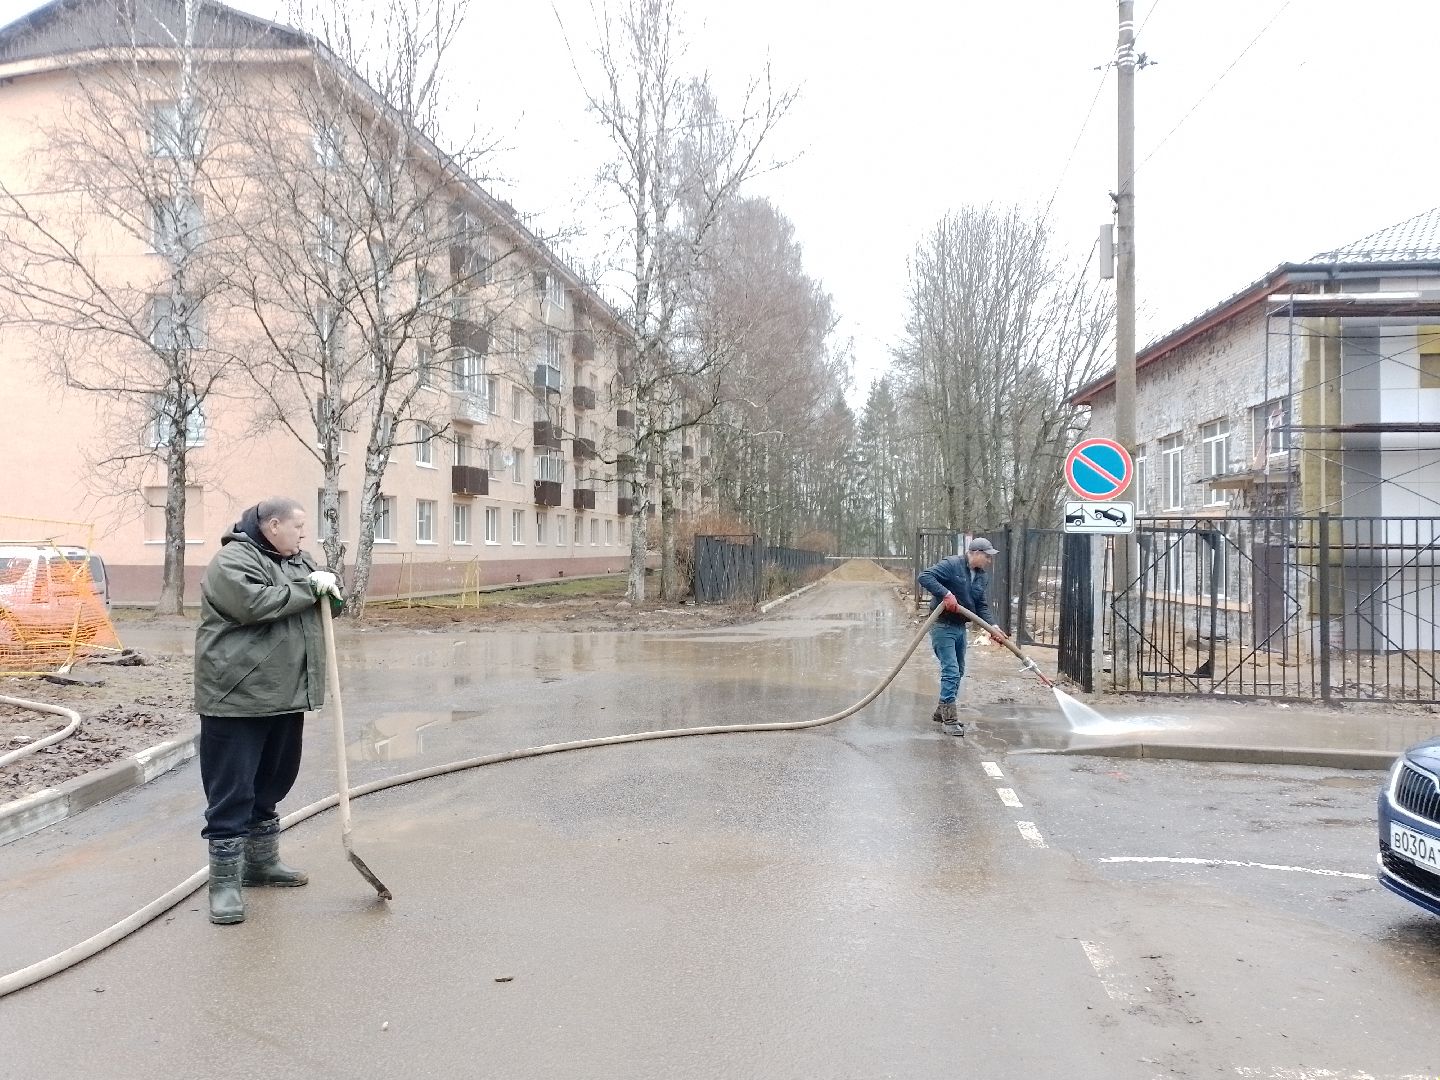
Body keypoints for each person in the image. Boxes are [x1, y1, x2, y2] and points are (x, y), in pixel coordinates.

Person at [194, 496, 343, 925]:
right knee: (231, 791)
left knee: (272, 783)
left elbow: (326, 598)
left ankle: (260, 864)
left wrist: (332, 592)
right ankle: (224, 885)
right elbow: (253, 604)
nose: (304, 535)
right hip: (236, 697)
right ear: (272, 525)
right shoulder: (232, 560)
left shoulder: (298, 559)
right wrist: (310, 588)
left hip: (284, 693)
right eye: (298, 527)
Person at [916, 537, 1009, 737]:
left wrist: (992, 627)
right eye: (987, 556)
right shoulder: (951, 565)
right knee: (950, 669)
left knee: (959, 671)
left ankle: (941, 711)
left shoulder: (982, 577)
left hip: (960, 627)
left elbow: (981, 605)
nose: (989, 561)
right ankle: (949, 720)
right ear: (974, 553)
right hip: (942, 625)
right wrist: (946, 593)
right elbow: (924, 577)